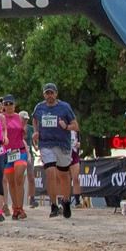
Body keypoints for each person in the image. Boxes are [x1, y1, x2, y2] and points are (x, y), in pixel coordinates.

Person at [34, 82, 77, 218]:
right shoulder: (39, 107)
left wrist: (66, 127)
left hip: (62, 145)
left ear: (56, 94)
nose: (49, 96)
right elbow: (35, 119)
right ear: (44, 95)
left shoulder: (65, 107)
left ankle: (66, 201)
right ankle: (53, 205)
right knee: (50, 172)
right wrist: (36, 131)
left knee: (63, 176)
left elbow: (76, 126)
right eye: (47, 93)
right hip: (46, 144)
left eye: (51, 93)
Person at [1, 97, 32, 219]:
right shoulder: (0, 118)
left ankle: (20, 207)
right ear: (3, 105)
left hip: (20, 151)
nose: (9, 106)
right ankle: (16, 208)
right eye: (6, 104)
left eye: (11, 104)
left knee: (19, 178)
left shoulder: (19, 117)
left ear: (15, 105)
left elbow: (23, 134)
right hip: (7, 153)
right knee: (11, 182)